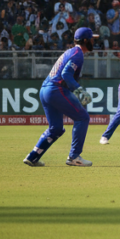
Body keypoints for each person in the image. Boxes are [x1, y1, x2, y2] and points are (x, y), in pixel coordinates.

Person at [23, 27, 97, 167]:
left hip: (45, 89)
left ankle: (33, 157)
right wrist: (79, 90)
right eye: (92, 39)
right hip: (56, 90)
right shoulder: (78, 54)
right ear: (86, 40)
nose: (94, 41)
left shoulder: (71, 51)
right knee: (82, 117)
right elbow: (66, 75)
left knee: (56, 128)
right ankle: (74, 157)